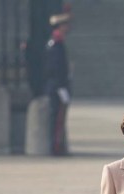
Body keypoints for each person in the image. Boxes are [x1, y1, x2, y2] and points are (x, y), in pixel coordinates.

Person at [45, 13, 72, 156]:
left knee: (59, 119)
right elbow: (55, 68)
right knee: (57, 118)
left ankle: (58, 145)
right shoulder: (55, 44)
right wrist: (61, 88)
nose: (67, 28)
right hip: (57, 87)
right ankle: (55, 147)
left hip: (58, 86)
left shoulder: (58, 42)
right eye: (65, 25)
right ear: (59, 27)